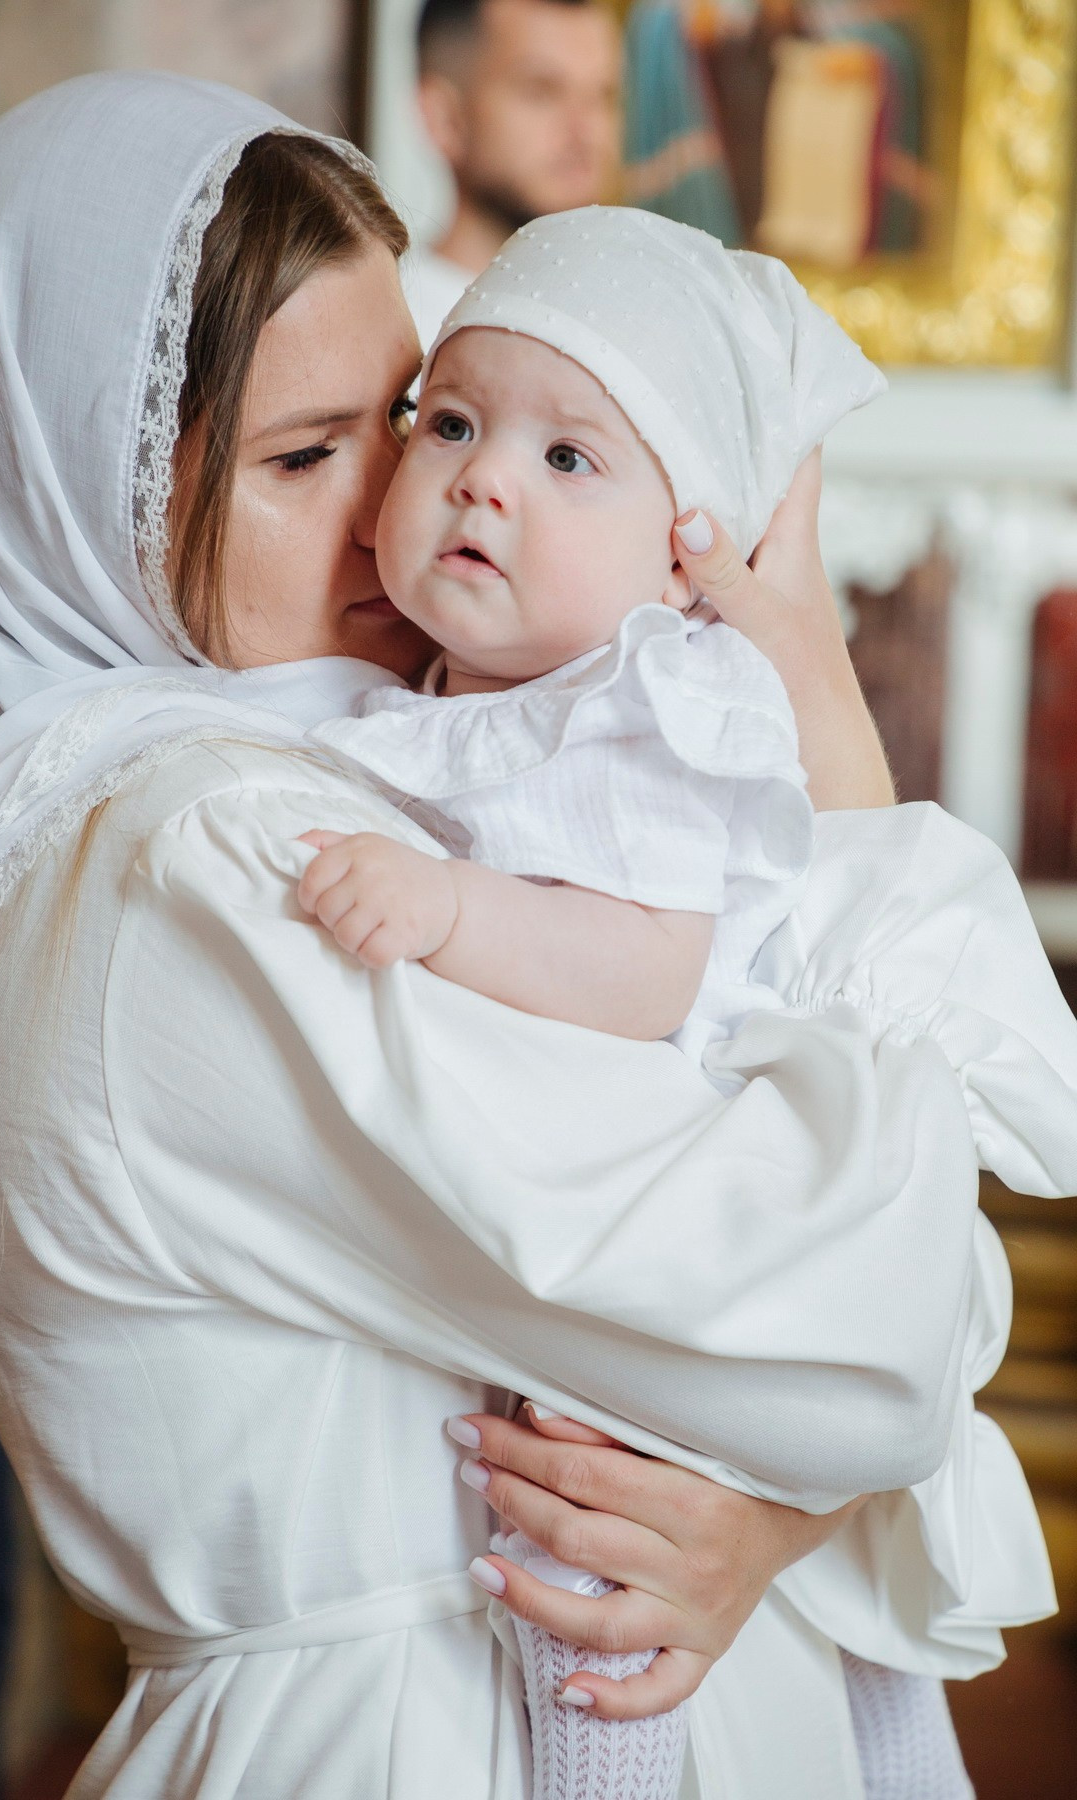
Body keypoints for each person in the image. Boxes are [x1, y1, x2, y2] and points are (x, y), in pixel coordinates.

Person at [0, 72, 1075, 1800]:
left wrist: (774, 1512)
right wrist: (809, 691)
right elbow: (846, 1317)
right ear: (64, 492)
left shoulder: (328, 780)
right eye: (311, 456)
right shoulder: (198, 854)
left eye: (412, 409)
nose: (409, 509)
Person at [297, 206, 1066, 1800]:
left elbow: (646, 964)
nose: (484, 475)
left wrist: (446, 907)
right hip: (588, 1217)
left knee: (597, 1554)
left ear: (683, 553)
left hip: (706, 1223)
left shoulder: (652, 708)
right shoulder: (460, 700)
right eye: (448, 421)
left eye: (571, 458)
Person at [407, 0, 622, 346]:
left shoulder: (633, 328)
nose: (587, 131)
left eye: (604, 95)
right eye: (542, 91)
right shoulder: (393, 342)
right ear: (445, 118)